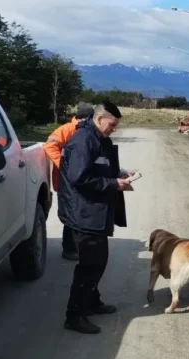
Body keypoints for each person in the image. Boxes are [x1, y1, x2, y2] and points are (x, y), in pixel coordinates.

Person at [57, 101, 131, 334]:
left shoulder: (99, 139)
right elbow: (79, 178)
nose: (114, 129)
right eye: (112, 124)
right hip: (85, 213)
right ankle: (75, 314)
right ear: (100, 119)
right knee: (90, 265)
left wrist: (119, 175)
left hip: (96, 211)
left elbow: (99, 169)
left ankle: (92, 300)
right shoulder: (82, 141)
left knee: (97, 261)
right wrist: (113, 183)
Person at [43, 102, 95, 261]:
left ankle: (79, 247)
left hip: (79, 181)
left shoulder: (86, 131)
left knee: (80, 213)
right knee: (71, 215)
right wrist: (65, 166)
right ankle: (70, 249)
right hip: (66, 182)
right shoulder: (67, 130)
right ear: (85, 118)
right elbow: (50, 145)